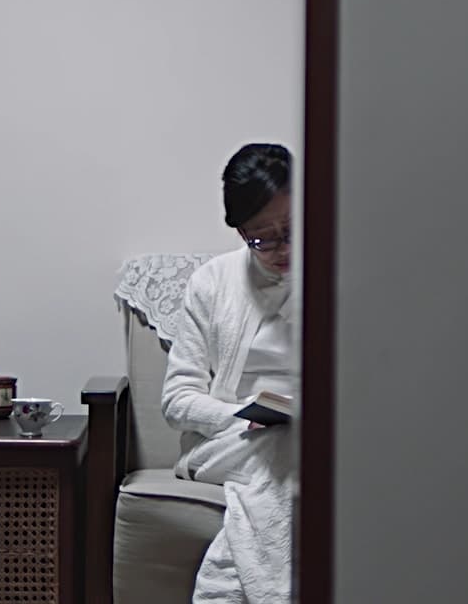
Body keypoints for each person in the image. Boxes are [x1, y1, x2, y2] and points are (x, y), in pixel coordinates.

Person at [162, 142, 299, 603]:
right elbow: (177, 399)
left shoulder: (335, 276)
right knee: (279, 450)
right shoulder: (213, 282)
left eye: (291, 230)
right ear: (240, 231)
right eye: (263, 238)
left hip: (319, 440)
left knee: (289, 455)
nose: (282, 248)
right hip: (228, 443)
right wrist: (243, 415)